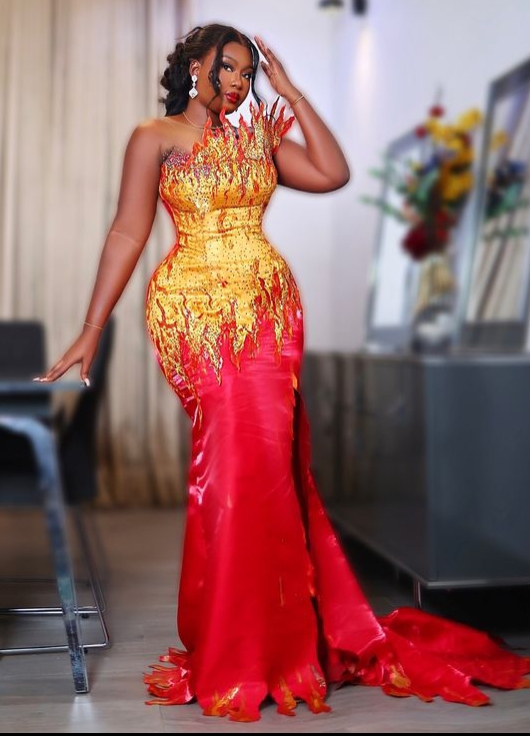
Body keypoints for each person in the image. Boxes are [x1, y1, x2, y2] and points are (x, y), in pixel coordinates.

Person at [34, 23, 530, 723]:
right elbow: (127, 231)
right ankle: (237, 642)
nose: (240, 84)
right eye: (228, 68)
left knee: (267, 468)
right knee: (229, 466)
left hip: (268, 311)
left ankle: (271, 639)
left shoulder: (260, 138)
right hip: (195, 315)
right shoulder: (154, 137)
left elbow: (333, 173)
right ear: (195, 66)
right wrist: (91, 328)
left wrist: (291, 92)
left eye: (249, 74)